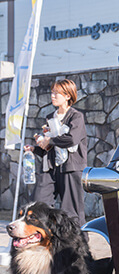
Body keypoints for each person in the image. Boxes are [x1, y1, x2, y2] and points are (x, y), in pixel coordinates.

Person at [25, 79, 87, 226]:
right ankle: (43, 240)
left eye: (57, 93)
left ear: (67, 96)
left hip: (71, 169)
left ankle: (79, 246)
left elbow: (72, 139)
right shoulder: (50, 118)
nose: (52, 96)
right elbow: (50, 147)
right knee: (38, 204)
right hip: (51, 168)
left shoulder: (76, 117)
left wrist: (49, 141)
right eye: (52, 92)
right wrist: (35, 149)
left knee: (72, 212)